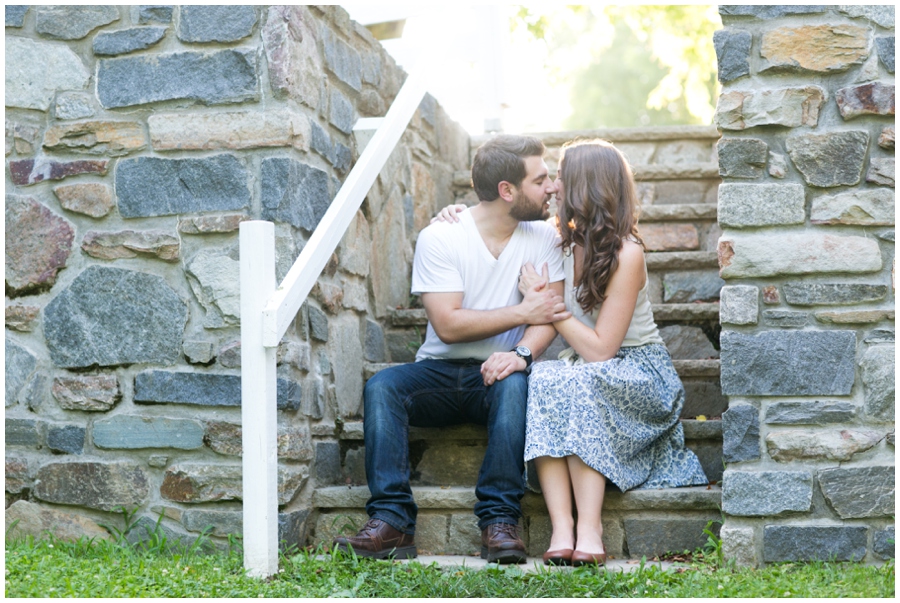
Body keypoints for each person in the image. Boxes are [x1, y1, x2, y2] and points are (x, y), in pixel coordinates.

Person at [436, 139, 708, 567]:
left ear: (586, 186)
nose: (554, 184)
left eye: (561, 175)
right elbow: (491, 221)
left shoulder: (627, 253)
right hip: (581, 365)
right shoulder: (558, 243)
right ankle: (562, 526)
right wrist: (453, 216)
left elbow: (601, 351)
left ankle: (591, 528)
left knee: (580, 380)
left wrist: (547, 306)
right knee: (543, 376)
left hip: (636, 370)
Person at [333, 134, 570, 564]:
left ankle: (499, 520)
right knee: (383, 387)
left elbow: (548, 316)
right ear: (507, 190)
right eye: (541, 180)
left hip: (500, 374)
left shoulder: (545, 237)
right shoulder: (441, 237)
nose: (551, 187)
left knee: (516, 385)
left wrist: (520, 355)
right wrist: (522, 310)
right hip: (438, 375)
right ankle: (392, 521)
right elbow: (448, 325)